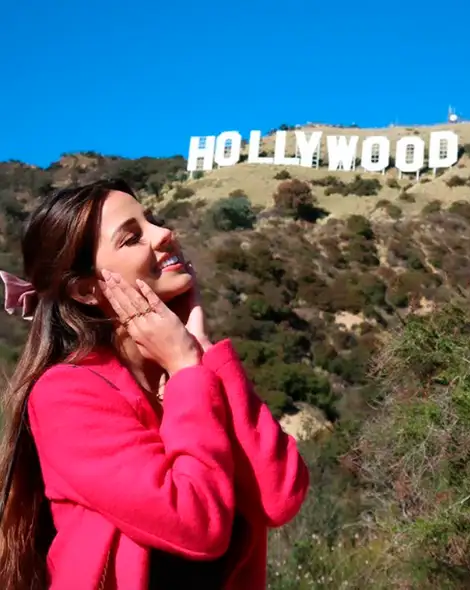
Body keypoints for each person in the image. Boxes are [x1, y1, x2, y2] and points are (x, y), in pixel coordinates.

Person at [0, 179, 310, 589]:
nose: (165, 233)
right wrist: (186, 369)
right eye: (132, 237)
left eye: (153, 220)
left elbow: (279, 497)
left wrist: (201, 350)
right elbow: (196, 523)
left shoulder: (192, 375)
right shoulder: (66, 394)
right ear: (87, 290)